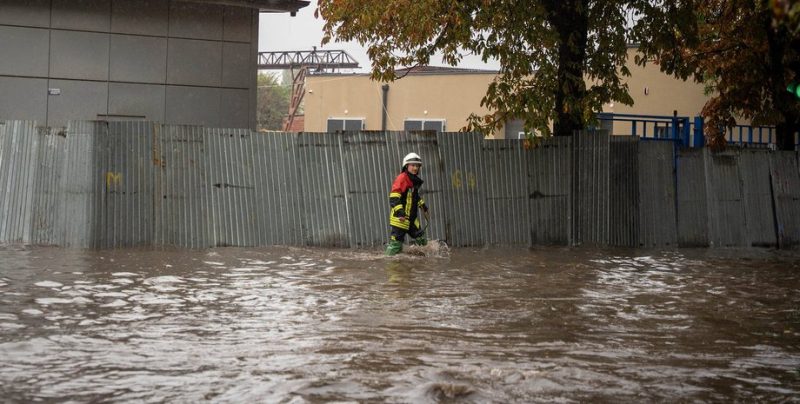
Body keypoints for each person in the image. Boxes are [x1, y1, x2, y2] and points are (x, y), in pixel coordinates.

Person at [385, 152, 430, 256]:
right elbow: (394, 196)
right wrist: (400, 213)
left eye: (417, 166)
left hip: (411, 219)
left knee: (422, 241)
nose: (415, 168)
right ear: (406, 166)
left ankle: (424, 263)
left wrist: (423, 206)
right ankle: (388, 262)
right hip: (400, 219)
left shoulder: (413, 181)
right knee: (396, 245)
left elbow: (414, 197)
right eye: (413, 165)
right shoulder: (402, 178)